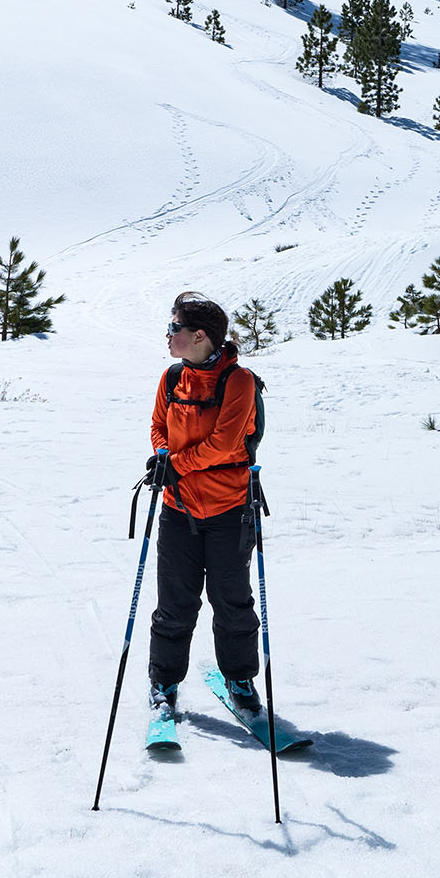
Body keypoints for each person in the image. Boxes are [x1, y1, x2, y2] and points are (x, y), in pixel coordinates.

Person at [147, 291, 264, 723]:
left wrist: (176, 465)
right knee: (174, 604)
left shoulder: (240, 382)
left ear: (198, 336)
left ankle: (239, 678)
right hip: (178, 509)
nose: (168, 334)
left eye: (174, 327)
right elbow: (159, 425)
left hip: (229, 509)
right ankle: (164, 681)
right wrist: (164, 459)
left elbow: (226, 444)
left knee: (232, 601)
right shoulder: (172, 378)